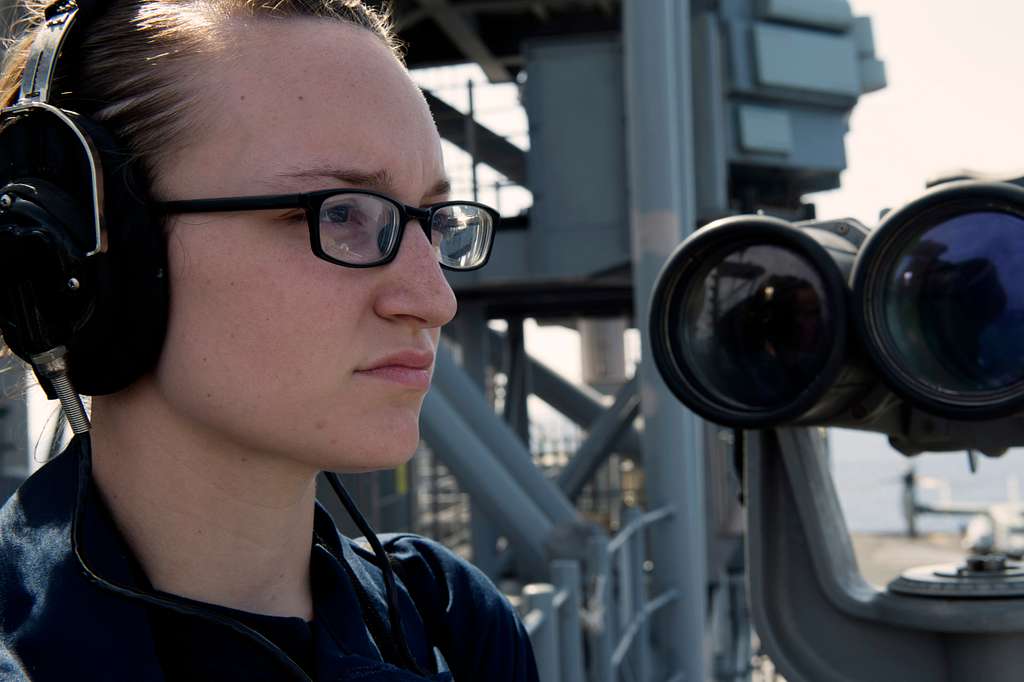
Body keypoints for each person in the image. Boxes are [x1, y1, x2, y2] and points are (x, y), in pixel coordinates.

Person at [0, 1, 539, 680]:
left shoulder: (450, 620)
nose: (435, 300)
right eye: (340, 213)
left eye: (431, 222)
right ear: (87, 250)